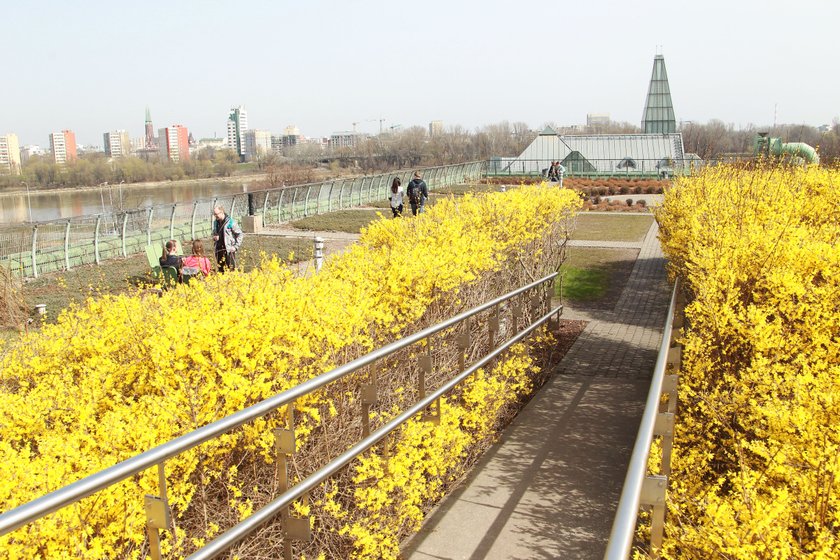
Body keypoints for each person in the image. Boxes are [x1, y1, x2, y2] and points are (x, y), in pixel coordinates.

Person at [212, 206, 243, 272]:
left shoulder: (231, 222)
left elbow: (240, 234)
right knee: (221, 270)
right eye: (214, 214)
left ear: (222, 212)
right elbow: (214, 233)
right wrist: (214, 237)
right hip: (219, 250)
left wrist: (235, 247)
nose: (215, 216)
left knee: (231, 270)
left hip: (229, 250)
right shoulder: (215, 223)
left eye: (216, 214)